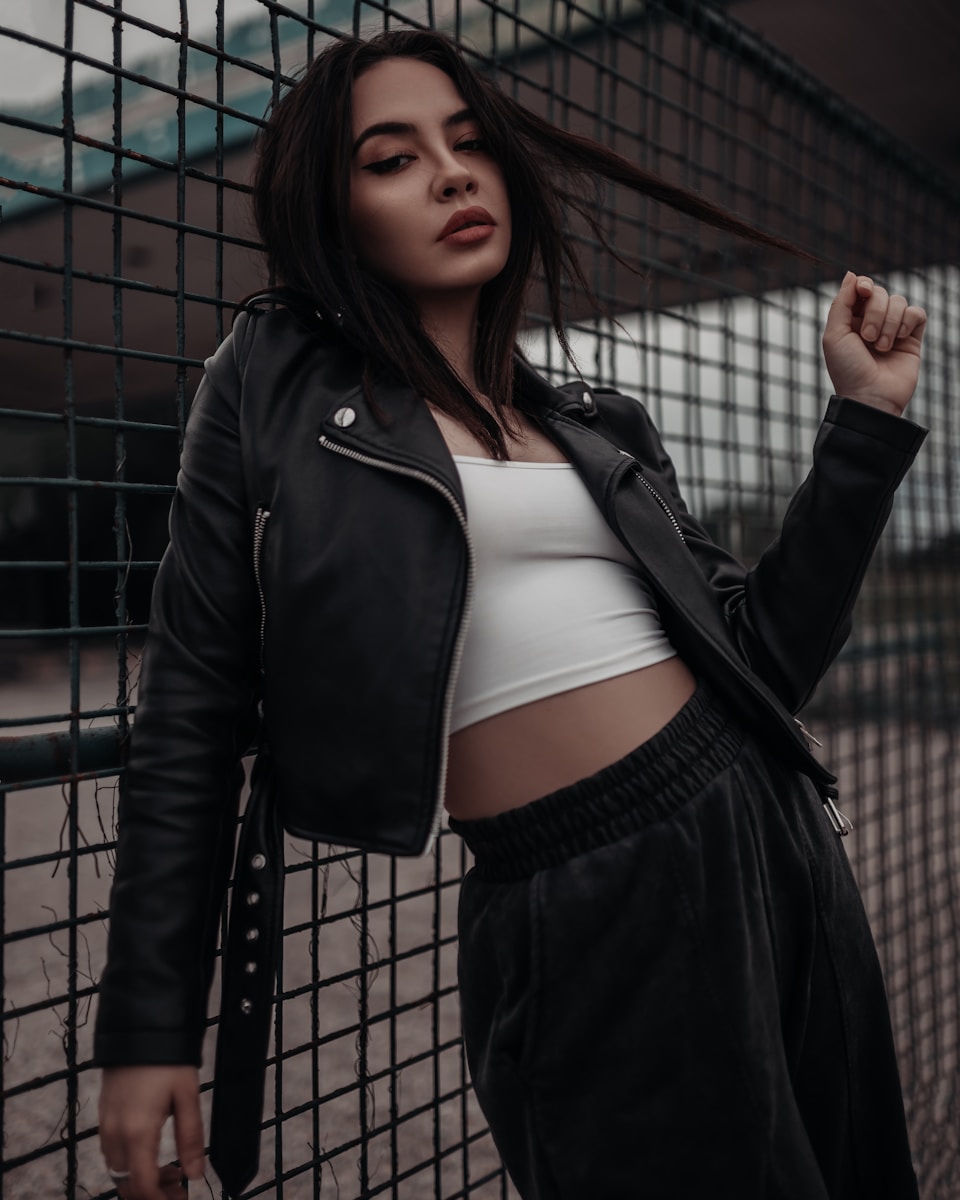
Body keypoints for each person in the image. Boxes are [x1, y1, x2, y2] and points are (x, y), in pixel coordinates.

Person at [95, 28, 928, 1200]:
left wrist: (867, 429)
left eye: (472, 142)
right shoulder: (273, 385)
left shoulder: (600, 424)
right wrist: (146, 1019)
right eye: (392, 158)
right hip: (581, 891)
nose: (451, 172)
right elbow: (188, 707)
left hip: (773, 829)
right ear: (333, 215)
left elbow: (767, 660)